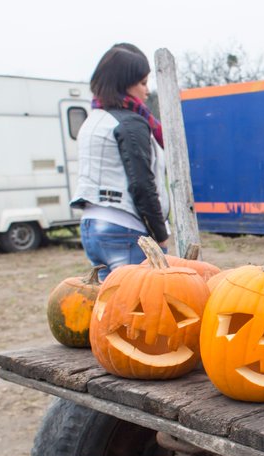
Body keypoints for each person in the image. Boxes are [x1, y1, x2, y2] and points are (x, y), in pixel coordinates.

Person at [71, 44, 170, 280]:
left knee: (110, 307)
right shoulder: (130, 123)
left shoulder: (93, 120)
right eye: (143, 83)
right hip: (125, 227)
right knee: (137, 310)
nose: (147, 91)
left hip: (92, 226)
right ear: (124, 83)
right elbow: (142, 184)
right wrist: (160, 233)